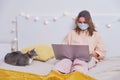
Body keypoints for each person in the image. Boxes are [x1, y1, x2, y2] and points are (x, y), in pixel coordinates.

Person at [52, 10, 106, 74]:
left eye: (84, 22)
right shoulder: (71, 33)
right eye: (80, 22)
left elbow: (102, 52)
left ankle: (76, 74)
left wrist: (91, 52)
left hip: (87, 58)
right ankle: (55, 75)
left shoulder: (95, 34)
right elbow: (64, 47)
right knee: (64, 62)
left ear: (89, 22)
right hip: (71, 58)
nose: (82, 24)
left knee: (80, 62)